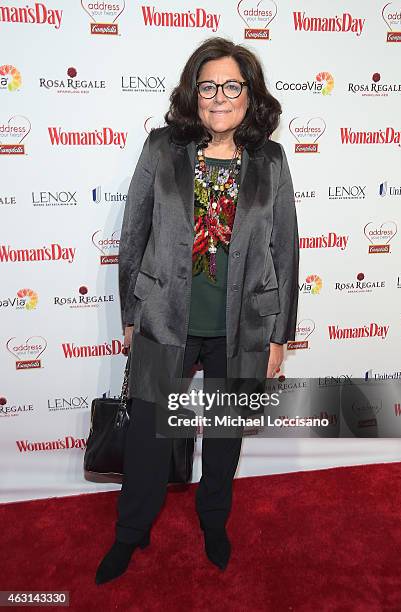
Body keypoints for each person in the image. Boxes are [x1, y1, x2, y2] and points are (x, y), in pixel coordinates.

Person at [95, 37, 299, 585]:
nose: (219, 96)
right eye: (208, 85)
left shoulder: (271, 159)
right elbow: (134, 231)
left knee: (225, 434)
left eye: (232, 85)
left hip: (243, 326)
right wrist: (132, 314)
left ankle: (214, 522)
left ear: (249, 96)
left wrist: (281, 334)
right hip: (165, 317)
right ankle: (130, 532)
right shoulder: (162, 148)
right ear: (193, 92)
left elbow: (285, 247)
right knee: (148, 435)